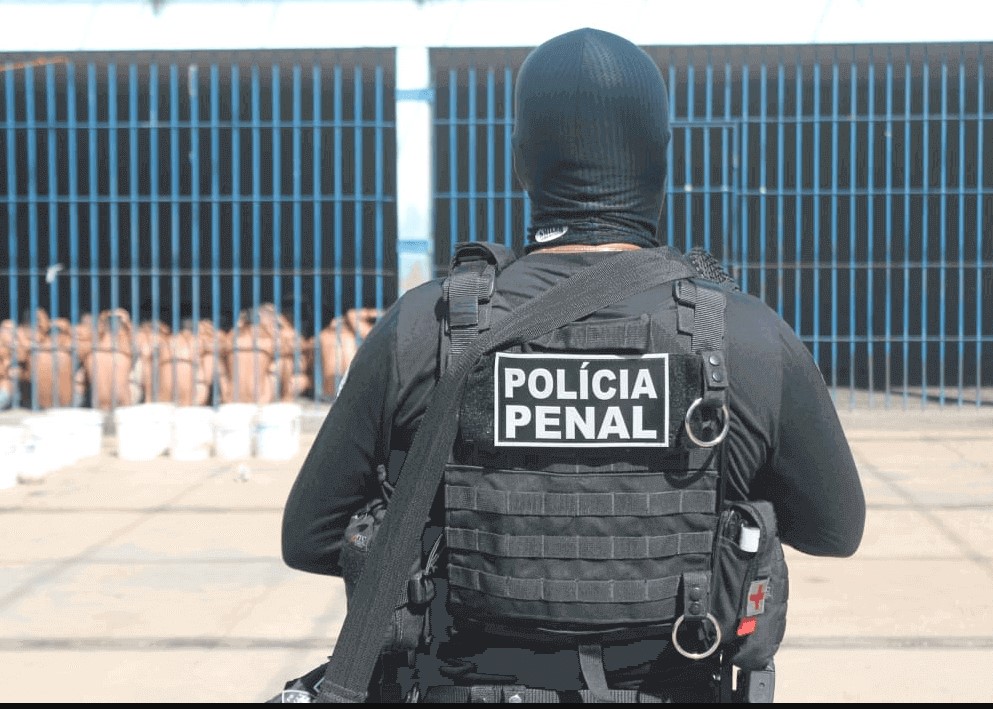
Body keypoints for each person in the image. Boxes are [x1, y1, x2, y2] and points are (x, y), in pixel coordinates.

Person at [280, 27, 865, 702]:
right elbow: (833, 528)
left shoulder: (424, 328)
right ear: (660, 159)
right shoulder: (746, 337)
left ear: (520, 163)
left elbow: (312, 535)